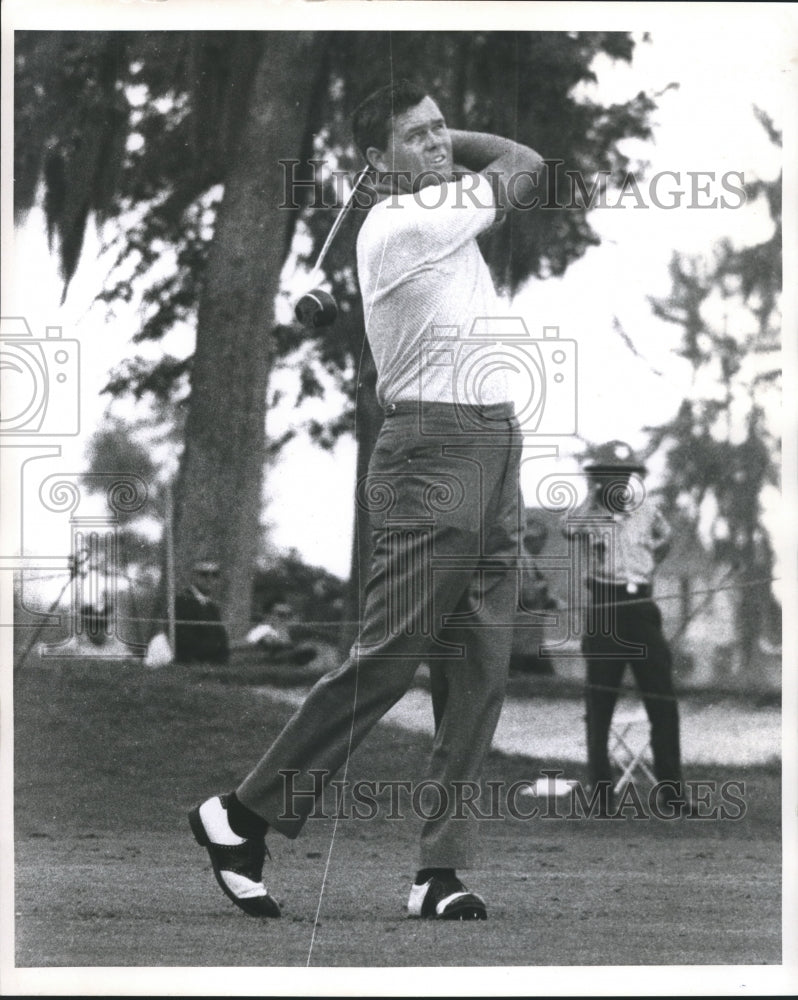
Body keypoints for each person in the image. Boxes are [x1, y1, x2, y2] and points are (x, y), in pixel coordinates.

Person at [189, 79, 543, 920]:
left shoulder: (438, 209)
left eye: (439, 129)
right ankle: (241, 815)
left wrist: (433, 145)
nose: (437, 143)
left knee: (479, 671)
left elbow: (492, 164)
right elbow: (525, 162)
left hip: (495, 447)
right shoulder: (399, 223)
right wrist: (445, 154)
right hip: (434, 452)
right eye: (414, 137)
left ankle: (439, 873)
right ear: (375, 165)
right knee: (388, 656)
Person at [563, 440, 685, 814]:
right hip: (605, 610)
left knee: (662, 700)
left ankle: (673, 795)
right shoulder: (588, 514)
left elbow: (664, 539)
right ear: (598, 479)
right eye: (608, 476)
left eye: (623, 475)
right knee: (600, 703)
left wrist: (645, 569)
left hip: (641, 608)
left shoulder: (647, 511)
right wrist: (592, 496)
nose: (618, 482)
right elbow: (567, 529)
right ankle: (601, 797)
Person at [174, 559, 229, 666]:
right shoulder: (182, 601)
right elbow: (184, 640)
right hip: (189, 666)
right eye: (204, 574)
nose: (210, 579)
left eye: (214, 575)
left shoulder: (212, 607)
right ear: (194, 576)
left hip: (213, 666)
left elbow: (222, 640)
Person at [245, 603, 318, 667]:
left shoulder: (287, 630)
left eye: (289, 615)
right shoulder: (262, 630)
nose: (286, 618)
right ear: (269, 615)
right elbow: (253, 648)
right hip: (268, 663)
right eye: (281, 615)